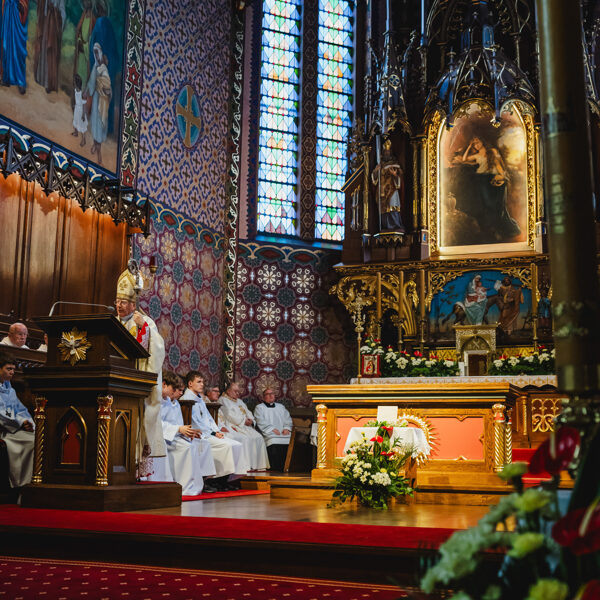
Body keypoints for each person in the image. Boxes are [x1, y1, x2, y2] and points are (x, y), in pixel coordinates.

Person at [114, 268, 167, 471]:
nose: (119, 305)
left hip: (136, 384)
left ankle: (133, 465)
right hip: (116, 380)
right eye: (117, 301)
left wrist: (142, 327)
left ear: (133, 304)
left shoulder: (145, 322)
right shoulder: (112, 323)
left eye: (123, 302)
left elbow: (157, 349)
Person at [449, 136, 520, 243]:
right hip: (482, 180)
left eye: (477, 142)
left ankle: (500, 229)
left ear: (482, 141)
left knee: (496, 205)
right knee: (487, 204)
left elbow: (498, 164)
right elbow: (464, 159)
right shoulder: (476, 155)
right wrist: (469, 146)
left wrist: (502, 176)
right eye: (474, 144)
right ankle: (492, 229)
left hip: (492, 179)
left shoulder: (492, 151)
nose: (476, 145)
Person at [183, 371, 248, 490]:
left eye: (203, 382)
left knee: (236, 444)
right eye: (199, 382)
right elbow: (195, 422)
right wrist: (212, 433)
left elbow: (209, 419)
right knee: (225, 446)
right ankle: (214, 480)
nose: (202, 384)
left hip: (209, 433)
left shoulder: (199, 399)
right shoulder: (186, 400)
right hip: (200, 435)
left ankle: (226, 480)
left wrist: (216, 431)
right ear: (190, 383)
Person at [160, 371, 216, 496]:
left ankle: (200, 482)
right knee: (188, 447)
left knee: (201, 443)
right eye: (176, 389)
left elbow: (179, 424)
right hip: (166, 438)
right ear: (164, 385)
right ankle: (185, 486)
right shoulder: (158, 402)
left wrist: (188, 432)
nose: (180, 393)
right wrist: (179, 429)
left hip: (174, 436)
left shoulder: (172, 402)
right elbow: (157, 424)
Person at [0, 353, 34, 488]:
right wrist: (20, 422)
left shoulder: (10, 389)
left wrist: (28, 422)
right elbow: (2, 413)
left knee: (40, 438)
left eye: (13, 369)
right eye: (8, 369)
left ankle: (32, 482)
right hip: (5, 430)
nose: (12, 372)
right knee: (32, 442)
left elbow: (21, 409)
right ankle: (23, 485)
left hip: (15, 427)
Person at [219, 381, 269, 471]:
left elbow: (248, 412)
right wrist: (244, 421)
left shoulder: (239, 401)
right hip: (233, 425)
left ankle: (258, 465)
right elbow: (229, 415)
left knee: (259, 437)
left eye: (238, 391)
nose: (238, 393)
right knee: (245, 439)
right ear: (228, 391)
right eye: (235, 391)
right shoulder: (223, 400)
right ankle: (246, 465)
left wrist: (251, 420)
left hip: (245, 426)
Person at [85, 42, 112, 165]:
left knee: (101, 124)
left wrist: (104, 88)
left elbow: (107, 85)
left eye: (97, 53)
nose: (96, 55)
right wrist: (86, 91)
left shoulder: (103, 68)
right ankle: (95, 145)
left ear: (100, 53)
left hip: (103, 102)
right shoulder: (95, 68)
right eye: (94, 53)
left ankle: (99, 153)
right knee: (95, 123)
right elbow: (91, 83)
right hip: (96, 99)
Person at [253, 388, 293, 472]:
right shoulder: (259, 408)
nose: (271, 396)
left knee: (291, 439)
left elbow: (287, 419)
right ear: (263, 397)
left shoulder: (281, 407)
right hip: (268, 432)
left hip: (283, 432)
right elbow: (260, 420)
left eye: (272, 394)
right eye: (268, 394)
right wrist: (271, 429)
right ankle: (275, 467)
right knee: (273, 439)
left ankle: (287, 466)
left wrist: (286, 428)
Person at [371, 139, 405, 233]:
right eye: (385, 152)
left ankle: (395, 226)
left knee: (393, 207)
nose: (386, 153)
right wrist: (376, 171)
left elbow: (400, 179)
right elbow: (374, 180)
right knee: (383, 210)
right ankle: (385, 227)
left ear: (390, 152)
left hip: (392, 190)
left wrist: (395, 175)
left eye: (388, 152)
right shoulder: (380, 164)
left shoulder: (395, 163)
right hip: (382, 191)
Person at [33, 0, 65, 93]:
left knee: (50, 53)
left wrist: (54, 10)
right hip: (45, 23)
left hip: (53, 27)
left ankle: (49, 83)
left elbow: (63, 14)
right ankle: (40, 78)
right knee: (43, 51)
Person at [0, 0, 29, 94]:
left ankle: (20, 82)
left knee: (18, 48)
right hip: (7, 12)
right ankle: (6, 78)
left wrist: (23, 7)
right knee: (6, 46)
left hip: (17, 14)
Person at [72, 74, 88, 147]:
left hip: (81, 111)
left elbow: (84, 105)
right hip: (77, 109)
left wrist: (83, 115)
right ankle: (76, 133)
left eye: (74, 81)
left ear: (77, 83)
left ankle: (83, 140)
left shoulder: (82, 93)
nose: (73, 83)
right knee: (75, 120)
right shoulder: (75, 90)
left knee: (82, 125)